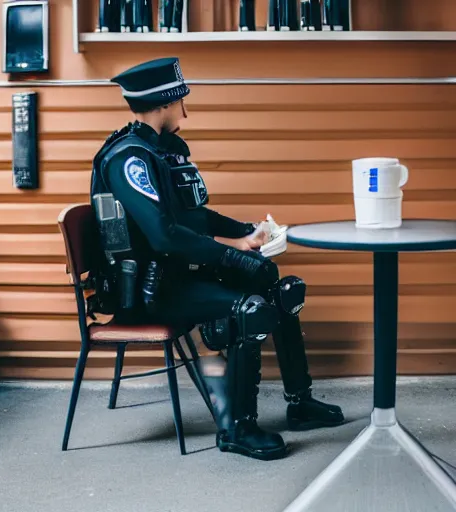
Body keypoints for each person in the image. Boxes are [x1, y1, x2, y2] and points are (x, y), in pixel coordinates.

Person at [89, 57, 344, 461]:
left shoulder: (162, 152)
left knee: (280, 287)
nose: (186, 110)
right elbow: (163, 235)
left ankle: (301, 404)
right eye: (180, 101)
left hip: (180, 276)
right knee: (252, 309)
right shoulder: (129, 159)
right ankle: (237, 429)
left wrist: (246, 232)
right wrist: (232, 256)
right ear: (163, 103)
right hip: (151, 291)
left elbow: (196, 216)